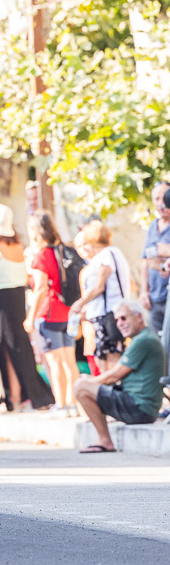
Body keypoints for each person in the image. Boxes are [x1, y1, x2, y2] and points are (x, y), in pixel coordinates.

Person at [0, 204, 54, 411]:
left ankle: (11, 398)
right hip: (18, 299)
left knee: (4, 350)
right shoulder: (18, 247)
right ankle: (24, 396)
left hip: (0, 303)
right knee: (20, 349)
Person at [74, 300, 165, 452]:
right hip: (137, 404)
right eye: (116, 320)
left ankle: (105, 440)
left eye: (124, 318)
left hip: (139, 408)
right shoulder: (142, 338)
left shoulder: (143, 340)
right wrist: (90, 381)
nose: (119, 324)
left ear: (139, 317)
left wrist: (88, 383)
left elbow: (113, 377)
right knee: (85, 381)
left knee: (80, 387)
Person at [25, 210, 79, 414]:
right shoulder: (65, 251)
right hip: (68, 312)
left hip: (48, 313)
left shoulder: (42, 256)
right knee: (69, 360)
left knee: (55, 362)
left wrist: (30, 316)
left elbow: (40, 288)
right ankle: (72, 402)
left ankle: (62, 403)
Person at [71, 220, 129, 372]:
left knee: (111, 359)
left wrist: (80, 303)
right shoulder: (110, 254)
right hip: (103, 315)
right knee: (102, 358)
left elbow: (99, 286)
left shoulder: (107, 255)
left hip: (108, 315)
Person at [139, 181, 170, 335]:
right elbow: (145, 261)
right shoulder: (152, 226)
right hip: (154, 298)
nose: (161, 203)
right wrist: (144, 291)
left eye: (164, 198)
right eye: (156, 199)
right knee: (158, 347)